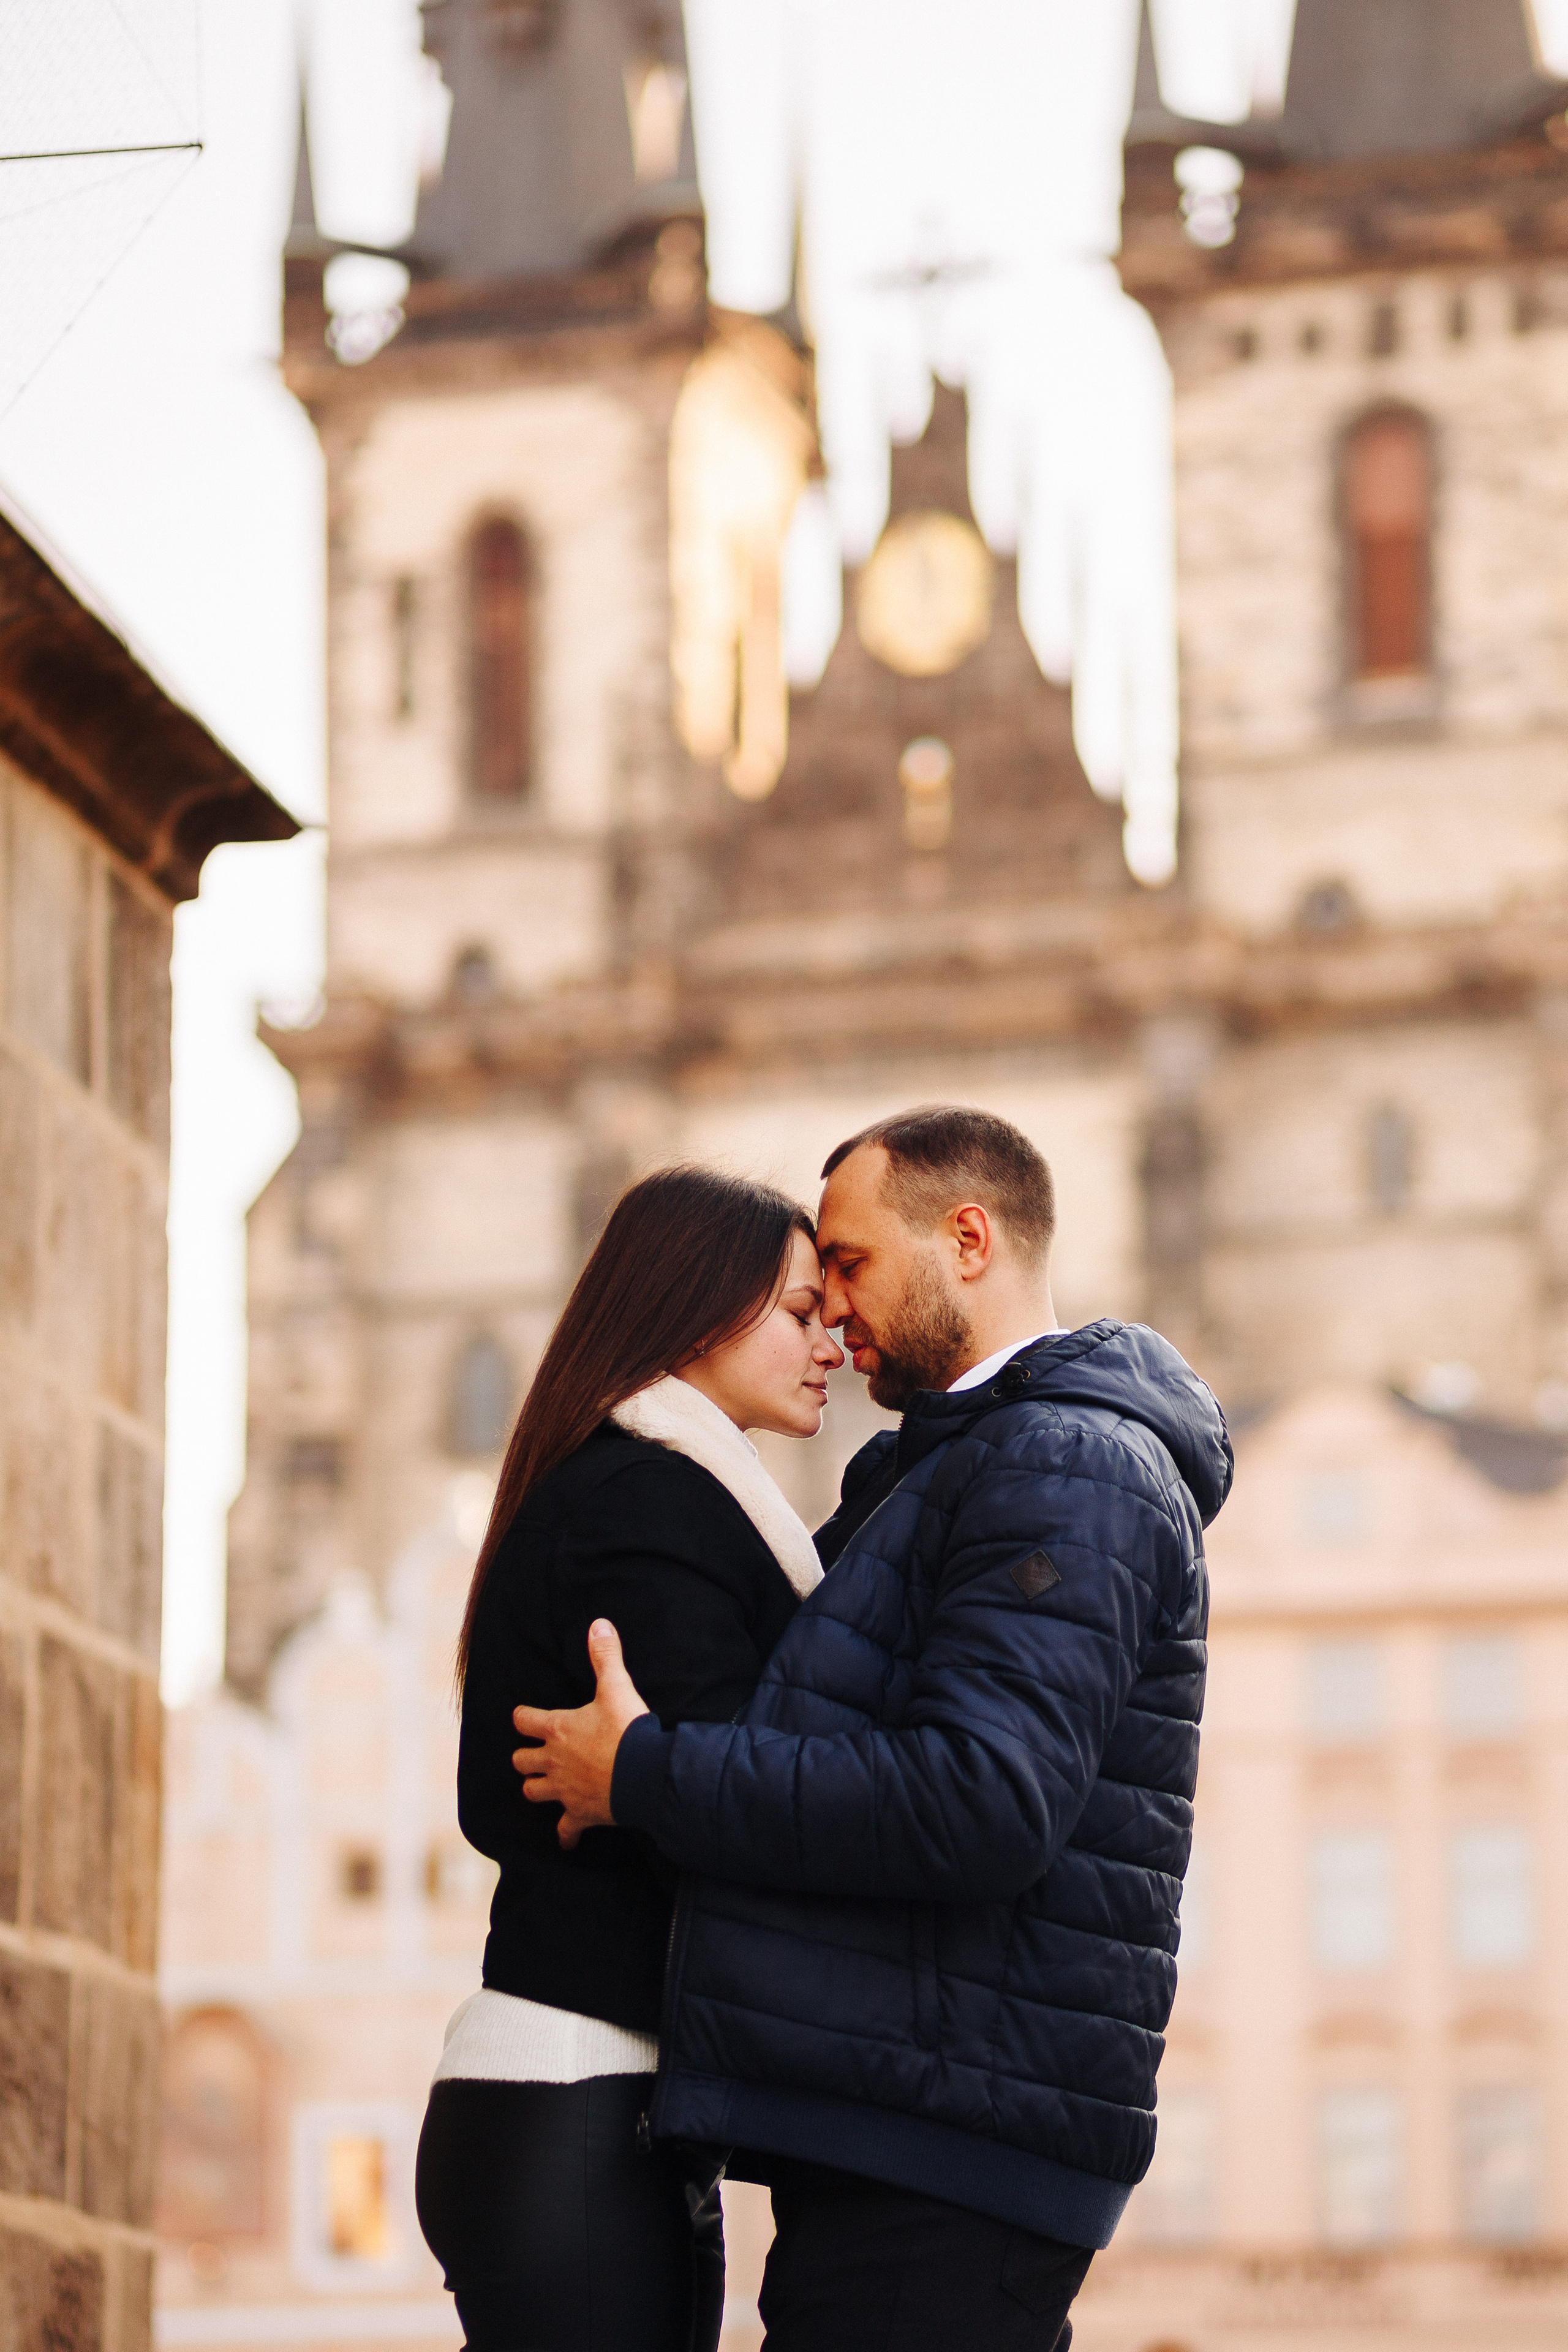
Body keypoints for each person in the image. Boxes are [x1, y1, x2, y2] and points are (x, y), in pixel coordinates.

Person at [514, 1105, 1233, 2352]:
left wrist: (643, 1774)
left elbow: (976, 1803)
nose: (831, 1309)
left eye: (844, 1265)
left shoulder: (1063, 1464)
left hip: (956, 2134)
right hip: (924, 2113)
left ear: (966, 1239)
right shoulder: (952, 1465)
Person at [415, 1165, 843, 2352]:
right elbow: (734, 1781)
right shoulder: (642, 1505)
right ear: (700, 1309)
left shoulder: (647, 1492)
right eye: (802, 1314)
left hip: (593, 2100)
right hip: (575, 2092)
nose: (834, 1347)